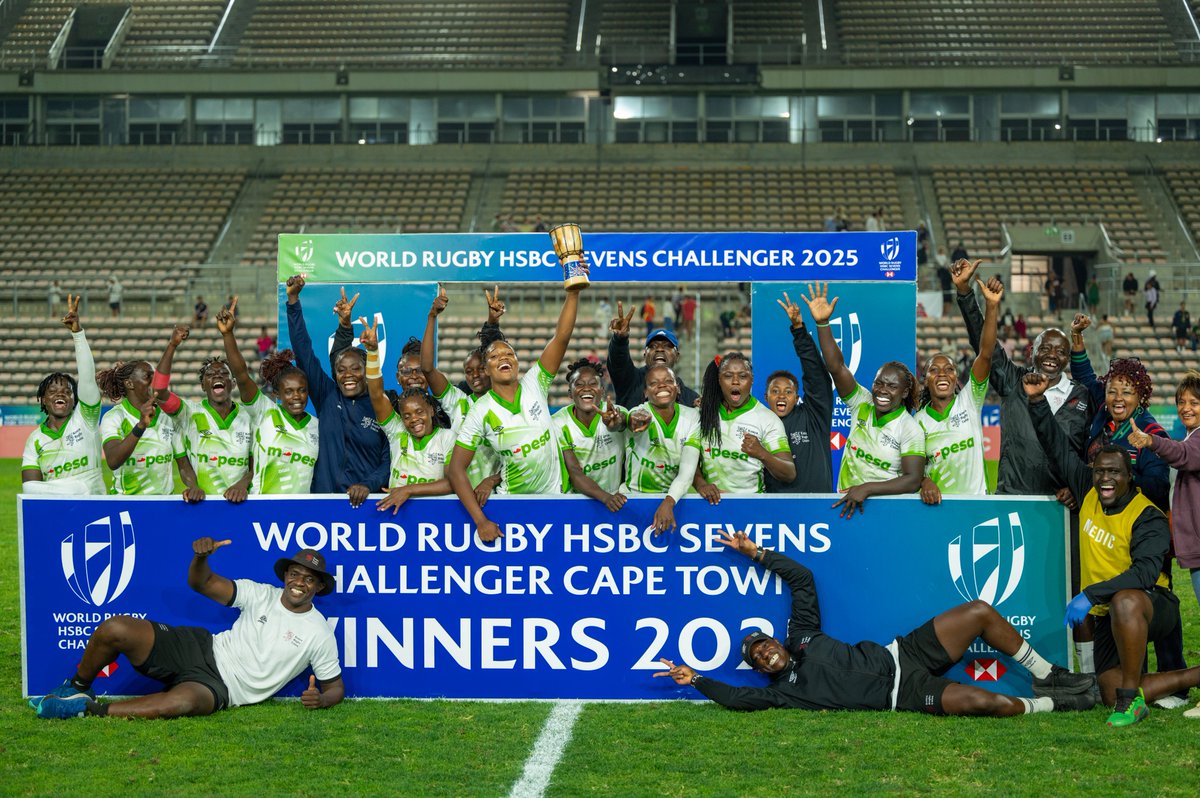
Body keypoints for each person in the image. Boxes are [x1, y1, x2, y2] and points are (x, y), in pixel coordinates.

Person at [655, 530, 1097, 717]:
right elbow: (735, 697)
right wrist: (696, 679)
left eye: (764, 644)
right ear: (760, 669)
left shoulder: (802, 635)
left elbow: (802, 580)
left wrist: (756, 554)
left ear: (777, 639)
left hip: (901, 652)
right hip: (900, 693)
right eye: (757, 657)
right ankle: (1055, 706)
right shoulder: (782, 694)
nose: (765, 651)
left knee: (978, 610)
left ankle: (1047, 675)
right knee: (987, 703)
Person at [1023, 373, 1200, 726]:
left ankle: (1129, 703)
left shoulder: (1146, 515)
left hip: (1152, 606)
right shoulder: (1088, 489)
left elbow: (1146, 574)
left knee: (1126, 598)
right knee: (1106, 687)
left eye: (1115, 473)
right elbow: (1056, 445)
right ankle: (1191, 676)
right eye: (1100, 471)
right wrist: (1037, 402)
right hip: (1105, 610)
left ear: (1129, 477)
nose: (1105, 479)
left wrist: (1090, 593)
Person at [32, 538, 343, 719]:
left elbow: (335, 688)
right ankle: (76, 688)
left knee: (180, 703)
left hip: (223, 688)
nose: (299, 582)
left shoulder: (319, 632)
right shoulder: (260, 593)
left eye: (309, 578)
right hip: (199, 648)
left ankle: (88, 709)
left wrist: (322, 700)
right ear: (285, 575)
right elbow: (202, 582)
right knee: (115, 628)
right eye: (295, 573)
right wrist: (200, 559)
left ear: (318, 587)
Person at [447, 268, 587, 542]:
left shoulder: (536, 382)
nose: (504, 356)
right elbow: (455, 470)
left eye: (509, 352)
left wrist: (572, 294)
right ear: (486, 370)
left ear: (517, 361)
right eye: (495, 355)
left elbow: (561, 337)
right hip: (511, 504)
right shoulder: (480, 411)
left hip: (556, 498)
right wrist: (480, 520)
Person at [953, 259, 1091, 495]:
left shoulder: (1082, 396)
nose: (1052, 356)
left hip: (1060, 507)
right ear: (1032, 352)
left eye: (1060, 351)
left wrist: (1078, 487)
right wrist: (966, 293)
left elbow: (1089, 452)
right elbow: (983, 346)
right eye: (1045, 348)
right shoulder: (1013, 381)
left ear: (1068, 359)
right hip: (1012, 500)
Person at [802, 283, 925, 517]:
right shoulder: (862, 403)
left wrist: (867, 489)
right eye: (879, 383)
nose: (882, 390)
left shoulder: (910, 429)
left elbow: (912, 480)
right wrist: (822, 323)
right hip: (845, 500)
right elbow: (836, 368)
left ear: (905, 392)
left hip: (886, 511)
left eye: (892, 386)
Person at [285, 275, 389, 506]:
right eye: (341, 370)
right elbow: (303, 351)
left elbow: (389, 461)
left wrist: (368, 485)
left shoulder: (382, 405)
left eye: (355, 369)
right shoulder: (327, 395)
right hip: (323, 503)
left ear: (367, 370)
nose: (348, 375)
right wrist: (293, 301)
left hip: (368, 504)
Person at [160, 300, 262, 504]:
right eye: (210, 374)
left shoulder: (249, 415)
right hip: (202, 504)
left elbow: (256, 463)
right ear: (203, 386)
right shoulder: (189, 412)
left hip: (244, 502)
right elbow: (160, 391)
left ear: (232, 383)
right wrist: (172, 346)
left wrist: (243, 485)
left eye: (224, 373)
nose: (217, 376)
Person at [357, 315, 456, 515]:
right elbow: (376, 394)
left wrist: (408, 490)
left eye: (419, 412)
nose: (413, 420)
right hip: (397, 513)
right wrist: (373, 352)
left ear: (431, 409)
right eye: (407, 415)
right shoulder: (397, 431)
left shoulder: (447, 437)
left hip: (437, 515)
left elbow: (452, 483)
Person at [916, 276, 1001, 503]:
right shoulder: (917, 422)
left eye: (949, 369)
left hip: (976, 506)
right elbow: (910, 470)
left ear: (956, 378)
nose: (943, 373)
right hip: (937, 509)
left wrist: (991, 307)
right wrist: (924, 481)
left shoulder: (970, 400)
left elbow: (985, 353)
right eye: (934, 370)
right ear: (925, 380)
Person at [96, 329, 202, 501]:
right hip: (126, 504)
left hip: (163, 505)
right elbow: (113, 460)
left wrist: (194, 486)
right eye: (148, 377)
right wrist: (140, 426)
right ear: (130, 383)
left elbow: (183, 464)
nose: (156, 382)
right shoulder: (114, 417)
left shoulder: (168, 417)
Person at [21, 293, 105, 495]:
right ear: (43, 399)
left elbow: (86, 377)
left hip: (93, 510)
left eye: (67, 391)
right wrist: (74, 489)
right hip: (58, 516)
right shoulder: (35, 440)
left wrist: (78, 334)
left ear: (74, 398)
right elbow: (30, 490)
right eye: (53, 391)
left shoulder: (86, 418)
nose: (62, 394)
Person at [623, 364, 708, 533]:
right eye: (654, 383)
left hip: (676, 499)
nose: (662, 385)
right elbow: (627, 420)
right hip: (636, 499)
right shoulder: (639, 414)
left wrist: (669, 502)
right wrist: (629, 420)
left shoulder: (692, 417)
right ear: (645, 393)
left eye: (668, 381)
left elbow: (687, 472)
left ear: (678, 389)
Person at [695, 352, 794, 495]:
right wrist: (701, 484)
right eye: (728, 376)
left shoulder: (767, 419)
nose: (735, 381)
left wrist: (762, 453)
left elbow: (789, 473)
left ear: (752, 380)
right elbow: (688, 459)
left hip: (750, 508)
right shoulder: (703, 413)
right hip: (709, 506)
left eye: (743, 376)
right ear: (719, 380)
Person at [764, 293, 834, 494]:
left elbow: (817, 376)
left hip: (818, 510)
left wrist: (799, 330)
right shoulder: (758, 423)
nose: (782, 396)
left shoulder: (813, 416)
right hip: (778, 511)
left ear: (797, 397)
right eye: (775, 391)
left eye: (788, 391)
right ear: (766, 397)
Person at [553, 358, 628, 511]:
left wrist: (615, 425)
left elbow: (622, 423)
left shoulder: (617, 413)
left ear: (602, 390)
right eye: (579, 384)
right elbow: (574, 471)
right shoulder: (558, 423)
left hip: (616, 499)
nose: (586, 388)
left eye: (593, 384)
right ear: (570, 393)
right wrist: (605, 497)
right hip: (578, 501)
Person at [251, 348, 319, 495]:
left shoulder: (317, 426)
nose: (297, 396)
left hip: (300, 512)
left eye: (302, 390)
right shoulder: (265, 412)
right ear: (277, 394)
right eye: (288, 391)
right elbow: (243, 378)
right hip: (262, 508)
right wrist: (228, 335)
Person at [608, 303, 700, 409]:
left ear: (677, 356)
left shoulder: (691, 399)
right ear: (645, 355)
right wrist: (620, 339)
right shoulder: (630, 381)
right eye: (652, 346)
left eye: (667, 346)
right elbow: (618, 361)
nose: (659, 349)